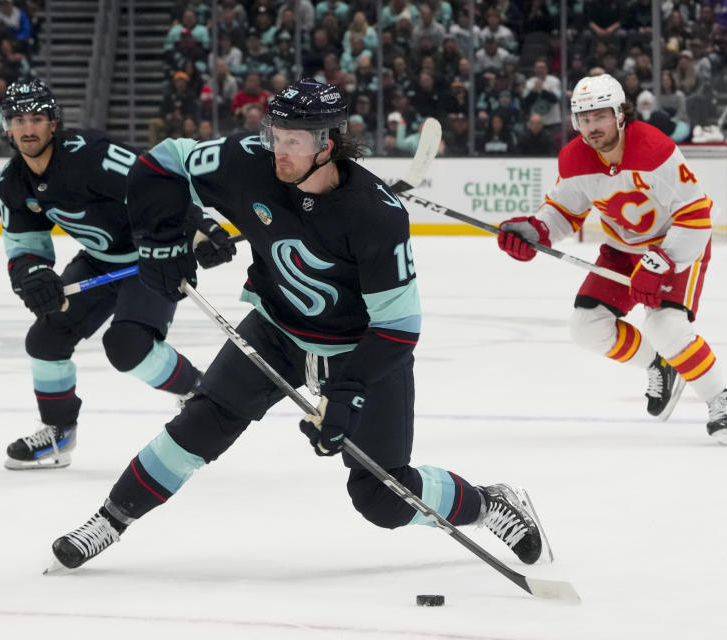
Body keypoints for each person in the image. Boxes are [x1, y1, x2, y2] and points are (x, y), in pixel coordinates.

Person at [46, 79, 552, 571]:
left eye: (294, 141)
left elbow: (397, 328)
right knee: (199, 424)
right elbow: (162, 162)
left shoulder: (377, 216)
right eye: (275, 135)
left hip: (359, 352)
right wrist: (167, 237)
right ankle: (110, 520)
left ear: (328, 143)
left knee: (380, 498)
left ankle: (489, 504)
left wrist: (348, 391)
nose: (278, 150)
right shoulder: (248, 160)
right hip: (276, 331)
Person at [496, 74, 727, 446]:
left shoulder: (654, 150)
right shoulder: (574, 158)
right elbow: (564, 211)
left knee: (665, 327)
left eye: (600, 117)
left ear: (619, 114)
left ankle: (721, 402)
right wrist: (536, 231)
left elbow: (694, 215)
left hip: (677, 244)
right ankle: (657, 365)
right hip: (623, 251)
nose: (592, 127)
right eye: (584, 119)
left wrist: (660, 261)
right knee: (586, 327)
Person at [0, 79, 232, 470]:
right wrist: (33, 274)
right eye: (18, 119)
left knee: (128, 344)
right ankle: (58, 433)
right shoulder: (13, 182)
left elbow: (155, 181)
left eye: (37, 118)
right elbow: (24, 245)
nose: (28, 128)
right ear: (6, 127)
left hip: (151, 255)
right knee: (46, 338)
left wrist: (198, 227)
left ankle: (198, 394)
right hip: (101, 260)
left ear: (53, 122)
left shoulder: (89, 155)